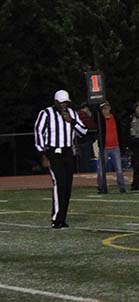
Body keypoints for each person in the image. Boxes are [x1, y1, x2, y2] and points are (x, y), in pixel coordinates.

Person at [34, 89, 89, 228]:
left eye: (67, 102)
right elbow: (38, 132)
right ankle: (56, 218)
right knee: (59, 183)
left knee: (67, 186)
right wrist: (42, 154)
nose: (65, 105)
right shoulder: (45, 113)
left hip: (68, 152)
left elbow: (83, 131)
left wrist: (72, 121)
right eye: (62, 103)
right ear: (56, 102)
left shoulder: (71, 113)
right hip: (53, 152)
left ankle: (62, 218)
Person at [94, 101, 127, 194]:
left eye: (107, 108)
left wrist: (122, 145)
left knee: (119, 169)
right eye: (103, 108)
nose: (105, 110)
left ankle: (122, 187)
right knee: (101, 169)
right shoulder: (100, 119)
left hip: (115, 146)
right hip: (104, 147)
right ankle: (101, 186)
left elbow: (120, 131)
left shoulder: (115, 118)